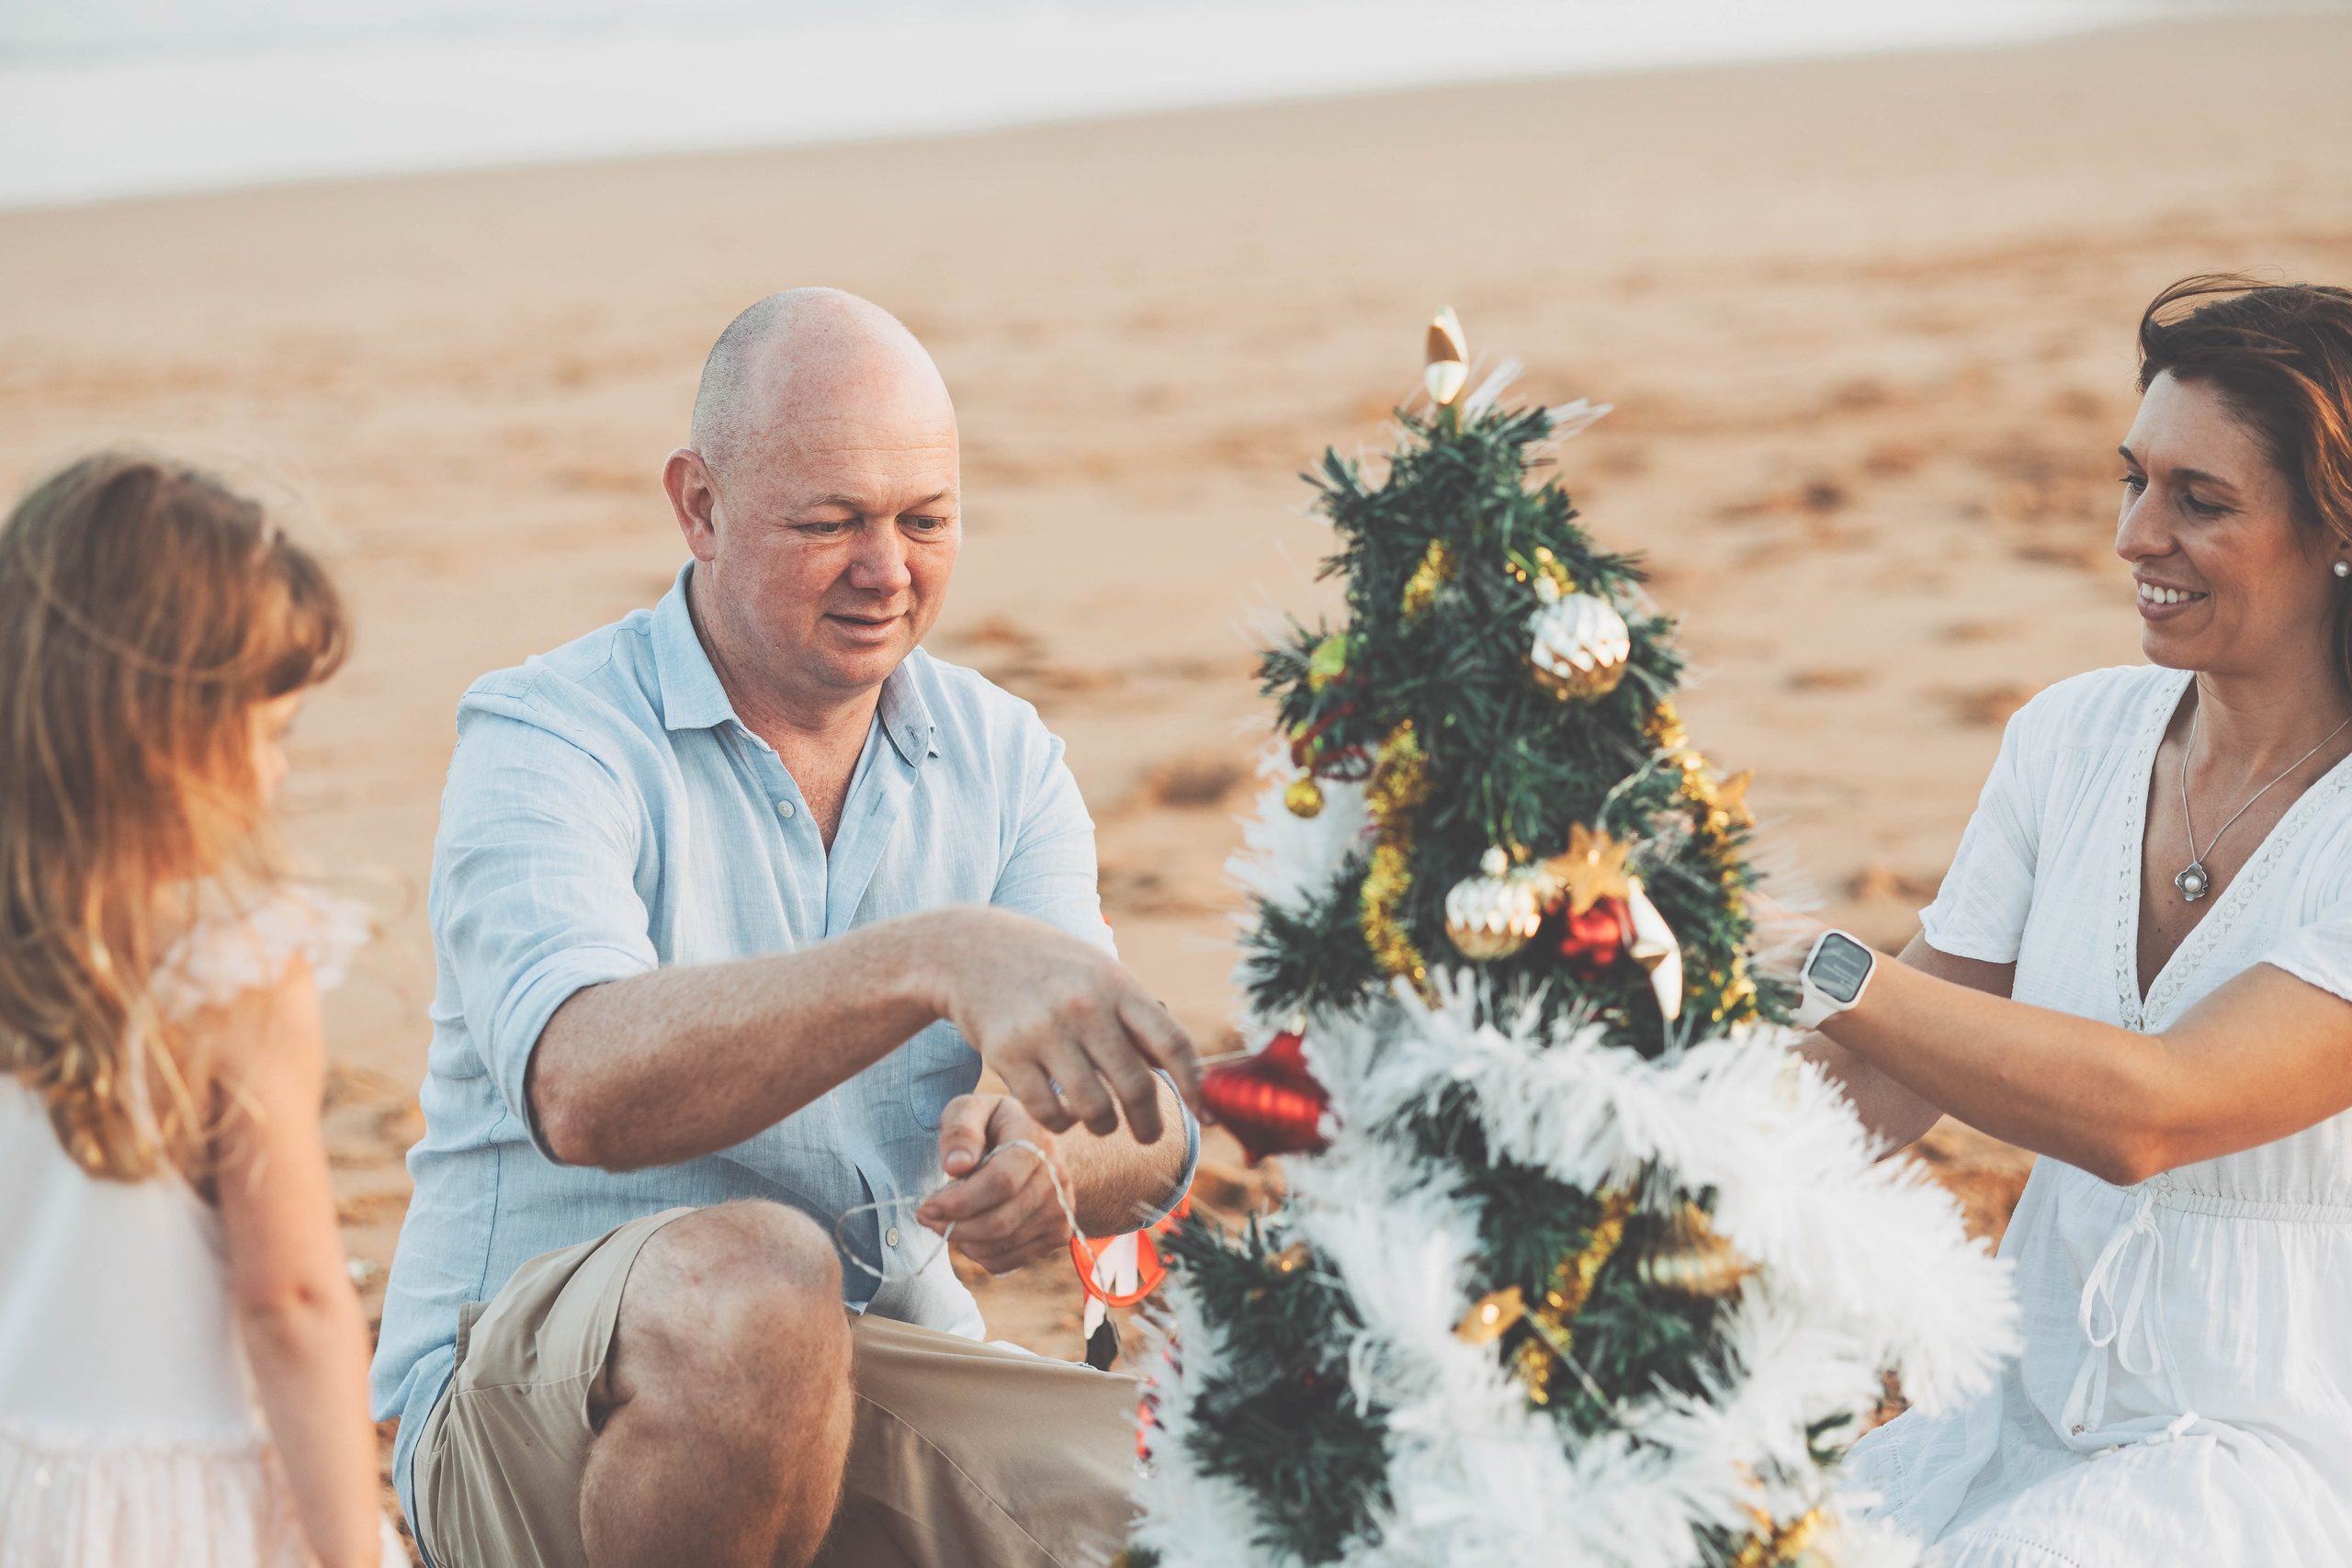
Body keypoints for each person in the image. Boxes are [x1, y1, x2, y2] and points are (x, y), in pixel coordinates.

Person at [371, 288, 1206, 1568]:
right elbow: (581, 1085)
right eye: (831, 522)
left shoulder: (1004, 755)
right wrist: (929, 959)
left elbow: (1147, 1128)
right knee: (761, 1288)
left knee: (1248, 1498)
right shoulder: (550, 733)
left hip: (885, 1364)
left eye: (925, 519)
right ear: (699, 506)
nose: (888, 569)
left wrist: (1046, 1158)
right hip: (529, 1406)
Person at [1780, 277, 2352, 1562]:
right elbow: (1884, 1074)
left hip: (2274, 1445)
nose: (2136, 536)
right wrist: (1632, 1159)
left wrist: (1812, 958)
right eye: (2133, 480)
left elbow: (2150, 1112)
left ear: (2337, 532)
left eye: (2199, 500)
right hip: (2010, 1415)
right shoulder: (2069, 739)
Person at [0, 455, 401, 1565]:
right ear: (158, 737)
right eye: (267, 738)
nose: (275, 779)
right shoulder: (234, 976)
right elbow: (293, 1303)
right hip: (161, 1518)